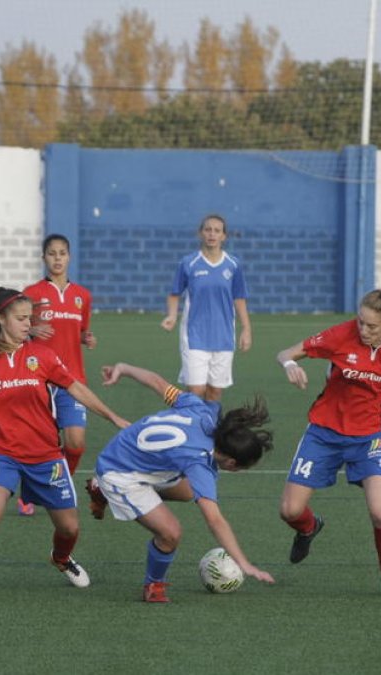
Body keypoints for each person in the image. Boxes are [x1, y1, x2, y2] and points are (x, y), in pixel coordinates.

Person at [0, 287, 129, 594]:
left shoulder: (43, 355)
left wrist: (113, 417)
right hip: (1, 454)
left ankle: (61, 558)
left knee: (69, 527)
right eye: (21, 318)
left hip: (46, 456)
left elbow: (76, 388)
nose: (29, 323)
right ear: (1, 318)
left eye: (30, 318)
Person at [276, 281, 381, 598]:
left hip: (369, 438)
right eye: (360, 321)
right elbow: (286, 352)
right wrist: (290, 364)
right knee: (290, 511)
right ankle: (309, 527)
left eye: (371, 326)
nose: (363, 330)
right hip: (323, 432)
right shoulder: (340, 335)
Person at [86, 362, 275, 603]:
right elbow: (215, 520)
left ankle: (106, 491)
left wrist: (123, 368)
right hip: (119, 473)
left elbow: (157, 382)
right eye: (242, 468)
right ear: (230, 462)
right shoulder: (199, 463)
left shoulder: (201, 410)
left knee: (187, 491)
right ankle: (153, 584)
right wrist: (243, 563)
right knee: (170, 533)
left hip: (129, 452)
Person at [19, 234, 95, 517]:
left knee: (76, 443)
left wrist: (87, 338)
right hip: (38, 379)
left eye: (62, 253)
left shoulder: (82, 296)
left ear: (69, 257)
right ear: (44, 258)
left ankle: (56, 484)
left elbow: (80, 331)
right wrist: (30, 330)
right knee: (40, 445)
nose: (58, 258)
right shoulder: (31, 293)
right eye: (52, 253)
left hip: (72, 379)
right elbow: (13, 330)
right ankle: (29, 492)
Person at [160, 214, 251, 402]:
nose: (212, 234)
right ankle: (189, 419)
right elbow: (174, 293)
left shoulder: (233, 265)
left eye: (217, 231)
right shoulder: (189, 263)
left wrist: (246, 328)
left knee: (214, 392)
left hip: (224, 337)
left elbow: (239, 297)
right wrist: (172, 316)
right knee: (196, 390)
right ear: (200, 233)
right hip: (194, 336)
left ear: (224, 236)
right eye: (208, 229)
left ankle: (211, 422)